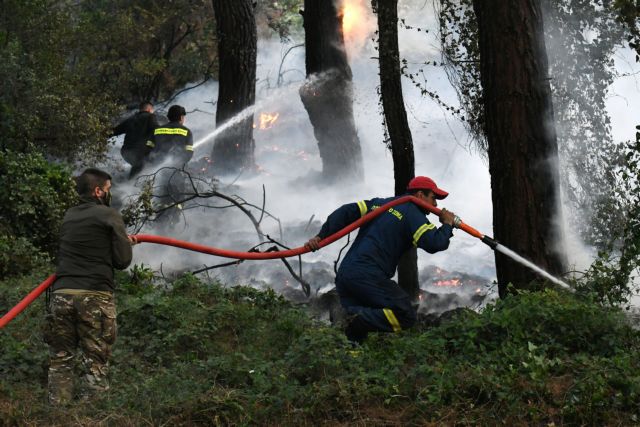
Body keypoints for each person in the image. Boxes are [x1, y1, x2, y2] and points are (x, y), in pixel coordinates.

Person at [305, 176, 457, 343]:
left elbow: (345, 212)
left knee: (355, 336)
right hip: (368, 276)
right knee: (404, 314)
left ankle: (352, 351)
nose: (435, 205)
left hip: (346, 275)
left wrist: (321, 236)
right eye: (433, 198)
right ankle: (350, 317)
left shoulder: (380, 203)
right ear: (420, 195)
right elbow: (435, 243)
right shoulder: (413, 213)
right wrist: (447, 224)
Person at [44, 168, 137, 405]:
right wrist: (125, 242)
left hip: (62, 296)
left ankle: (57, 413)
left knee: (61, 359)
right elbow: (122, 261)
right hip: (94, 296)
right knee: (95, 360)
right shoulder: (109, 215)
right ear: (97, 191)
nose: (109, 194)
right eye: (107, 190)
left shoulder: (68, 216)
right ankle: (90, 416)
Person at [113, 101, 159, 179]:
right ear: (149, 109)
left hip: (126, 152)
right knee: (141, 165)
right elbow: (157, 130)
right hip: (140, 152)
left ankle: (126, 183)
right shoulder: (150, 117)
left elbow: (114, 131)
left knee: (138, 166)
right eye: (152, 110)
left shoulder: (131, 119)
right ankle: (130, 186)